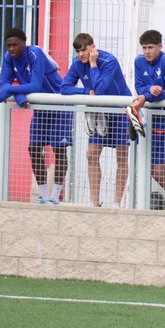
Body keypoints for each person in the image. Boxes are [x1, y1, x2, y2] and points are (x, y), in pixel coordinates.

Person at [0, 28, 71, 205]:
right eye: (8, 46)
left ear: (24, 44)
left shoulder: (35, 53)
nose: (11, 49)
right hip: (41, 108)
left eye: (15, 45)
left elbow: (35, 85)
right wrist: (19, 96)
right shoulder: (8, 58)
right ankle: (43, 197)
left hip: (60, 105)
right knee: (34, 148)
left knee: (59, 150)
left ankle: (54, 197)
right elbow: (3, 82)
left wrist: (8, 91)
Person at [60, 32, 132, 208]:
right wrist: (85, 92)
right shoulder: (77, 64)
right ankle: (95, 203)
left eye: (84, 50)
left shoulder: (109, 62)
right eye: (78, 51)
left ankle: (117, 203)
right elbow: (64, 88)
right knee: (91, 154)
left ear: (93, 47)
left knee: (121, 157)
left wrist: (92, 64)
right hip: (98, 113)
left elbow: (100, 89)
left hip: (120, 111)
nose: (81, 54)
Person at [131, 30, 165, 211]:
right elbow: (139, 87)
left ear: (160, 47)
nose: (147, 51)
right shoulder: (138, 62)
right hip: (151, 122)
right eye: (144, 48)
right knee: (156, 170)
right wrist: (148, 92)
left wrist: (149, 95)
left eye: (150, 47)